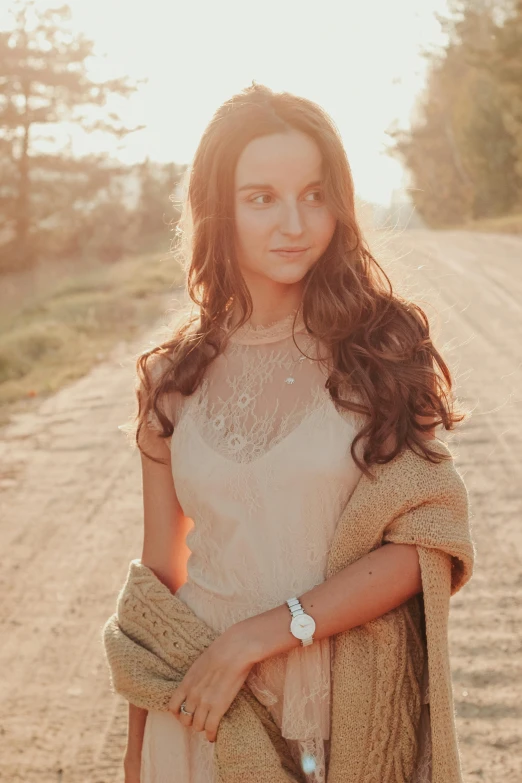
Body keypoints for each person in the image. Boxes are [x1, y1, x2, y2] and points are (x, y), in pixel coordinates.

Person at [121, 83, 467, 783]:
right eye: (262, 198)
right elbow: (160, 578)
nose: (296, 223)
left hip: (337, 702)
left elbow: (423, 541)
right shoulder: (171, 377)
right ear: (218, 211)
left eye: (314, 194)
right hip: (204, 710)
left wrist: (259, 635)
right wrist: (135, 756)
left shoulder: (382, 349)